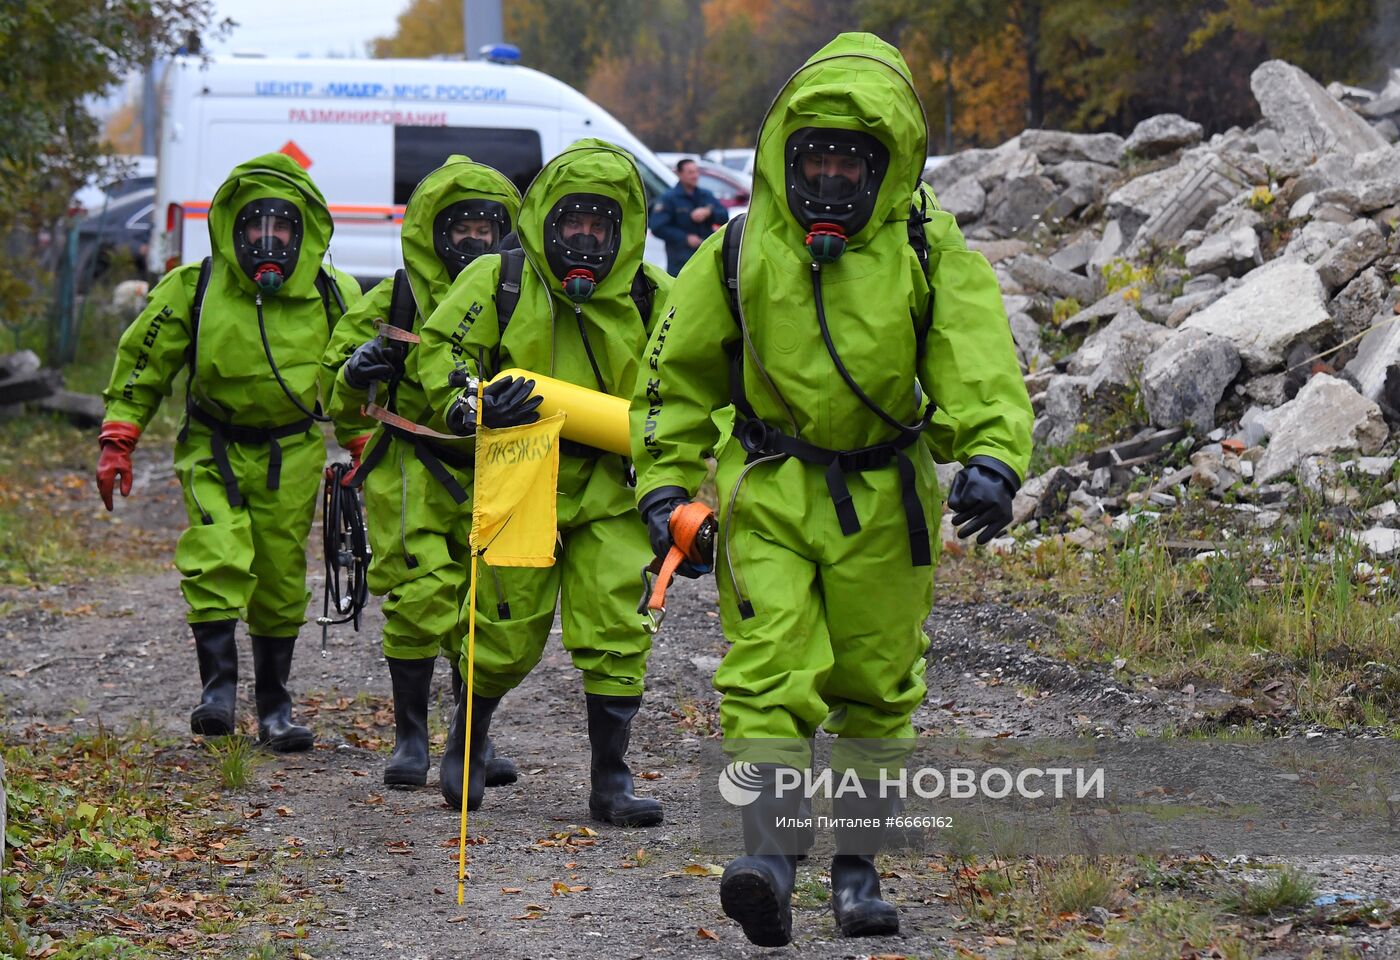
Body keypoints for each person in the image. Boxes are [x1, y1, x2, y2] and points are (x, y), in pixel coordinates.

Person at [628, 33, 1033, 946]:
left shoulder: (923, 243)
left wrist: (995, 455)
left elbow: (975, 357)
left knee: (877, 688)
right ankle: (768, 858)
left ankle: (858, 871)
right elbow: (676, 376)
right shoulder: (739, 249)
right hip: (770, 492)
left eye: (853, 162)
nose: (832, 181)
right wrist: (664, 489)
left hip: (887, 500)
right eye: (816, 159)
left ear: (886, 166)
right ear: (787, 156)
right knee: (767, 670)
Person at [415, 138, 672, 824]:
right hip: (520, 471)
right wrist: (470, 400)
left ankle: (610, 781)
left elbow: (698, 367)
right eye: (571, 223)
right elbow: (445, 347)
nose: (584, 240)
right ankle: (466, 744)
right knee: (504, 623)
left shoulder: (649, 295)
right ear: (545, 225)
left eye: (600, 225)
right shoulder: (500, 279)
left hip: (612, 483)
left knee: (619, 624)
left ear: (622, 232)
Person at [97, 153, 362, 750]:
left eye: (282, 228)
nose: (268, 240)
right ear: (233, 229)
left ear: (304, 232)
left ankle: (274, 708)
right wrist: (119, 439)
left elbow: (354, 376)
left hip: (290, 452)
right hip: (213, 447)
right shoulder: (196, 287)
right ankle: (218, 692)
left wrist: (361, 442)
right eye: (254, 227)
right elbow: (144, 362)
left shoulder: (332, 293)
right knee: (217, 554)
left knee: (278, 576)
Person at [321, 155, 522, 796]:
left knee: (487, 602)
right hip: (410, 464)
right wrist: (356, 370)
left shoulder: (516, 297)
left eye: (485, 227)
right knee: (416, 595)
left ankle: (472, 736)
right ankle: (411, 735)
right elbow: (329, 390)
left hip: (498, 465)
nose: (472, 239)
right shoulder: (395, 299)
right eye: (458, 227)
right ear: (433, 234)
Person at [648, 157, 729, 276]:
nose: (695, 175)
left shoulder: (705, 195)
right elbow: (657, 227)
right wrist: (685, 238)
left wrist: (709, 213)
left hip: (705, 256)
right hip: (680, 260)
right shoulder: (669, 199)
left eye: (696, 171)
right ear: (679, 174)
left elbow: (724, 216)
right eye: (690, 172)